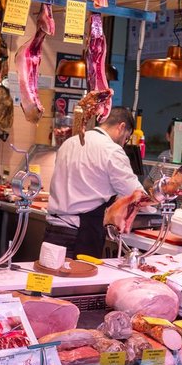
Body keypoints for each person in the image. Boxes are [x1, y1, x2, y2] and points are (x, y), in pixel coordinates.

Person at [43, 107, 147, 259]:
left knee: (52, 279)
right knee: (80, 282)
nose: (124, 143)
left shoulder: (70, 142)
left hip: (53, 230)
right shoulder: (112, 150)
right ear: (121, 127)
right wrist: (155, 208)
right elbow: (136, 195)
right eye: (126, 138)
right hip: (80, 234)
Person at [146, 120, 182, 206]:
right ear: (168, 136)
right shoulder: (163, 156)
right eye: (176, 135)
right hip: (159, 210)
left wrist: (172, 193)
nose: (180, 140)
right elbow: (147, 182)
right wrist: (158, 191)